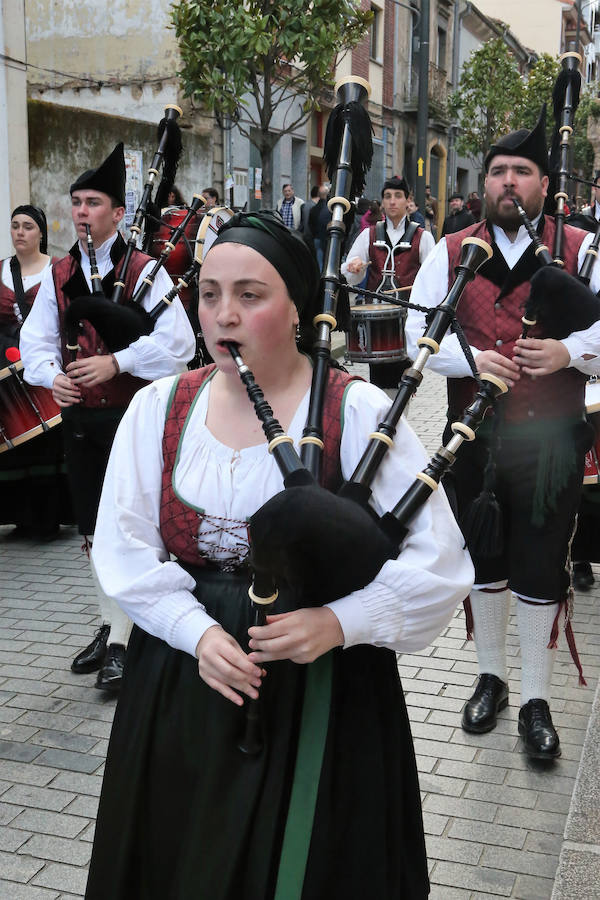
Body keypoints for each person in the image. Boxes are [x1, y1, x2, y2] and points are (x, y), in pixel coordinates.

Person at [84, 210, 473, 899]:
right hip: (184, 683)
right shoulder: (158, 409)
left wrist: (342, 622)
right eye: (209, 294)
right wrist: (195, 631)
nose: (223, 315)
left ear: (298, 309)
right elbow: (125, 548)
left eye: (250, 295)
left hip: (324, 687)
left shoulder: (355, 412)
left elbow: (440, 559)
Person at [406, 109, 600, 760]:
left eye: (522, 171)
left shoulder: (581, 249)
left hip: (554, 444)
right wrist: (472, 361)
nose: (508, 182)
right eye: (498, 172)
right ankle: (490, 678)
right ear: (484, 184)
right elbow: (418, 343)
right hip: (475, 441)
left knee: (542, 565)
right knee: (485, 561)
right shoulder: (452, 251)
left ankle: (537, 700)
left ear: (545, 183)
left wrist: (568, 353)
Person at [19, 143, 196, 692]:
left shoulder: (143, 270)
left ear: (118, 213)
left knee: (131, 529)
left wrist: (117, 360)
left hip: (132, 417)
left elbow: (179, 344)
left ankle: (124, 642)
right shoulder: (59, 273)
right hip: (80, 423)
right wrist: (56, 377)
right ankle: (110, 624)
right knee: (95, 530)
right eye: (75, 202)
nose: (80, 212)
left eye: (92, 202)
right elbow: (35, 343)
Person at [0, 205, 72, 540]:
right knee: (15, 444)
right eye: (15, 226)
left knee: (47, 442)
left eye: (28, 226)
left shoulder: (58, 270)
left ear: (41, 233)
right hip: (8, 370)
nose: (20, 232)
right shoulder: (0, 270)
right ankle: (19, 516)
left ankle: (46, 520)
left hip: (45, 366)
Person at [342, 176, 435, 389]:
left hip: (409, 321)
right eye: (387, 196)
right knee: (379, 380)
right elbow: (350, 274)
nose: (392, 201)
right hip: (377, 322)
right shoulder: (369, 234)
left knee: (404, 383)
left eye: (398, 196)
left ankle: (396, 420)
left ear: (407, 201)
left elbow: (433, 280)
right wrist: (353, 266)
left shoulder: (423, 237)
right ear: (382, 202)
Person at [309, 183, 332, 269]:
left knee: (319, 262)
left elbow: (310, 224)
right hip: (327, 238)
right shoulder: (330, 209)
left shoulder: (314, 209)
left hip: (317, 237)